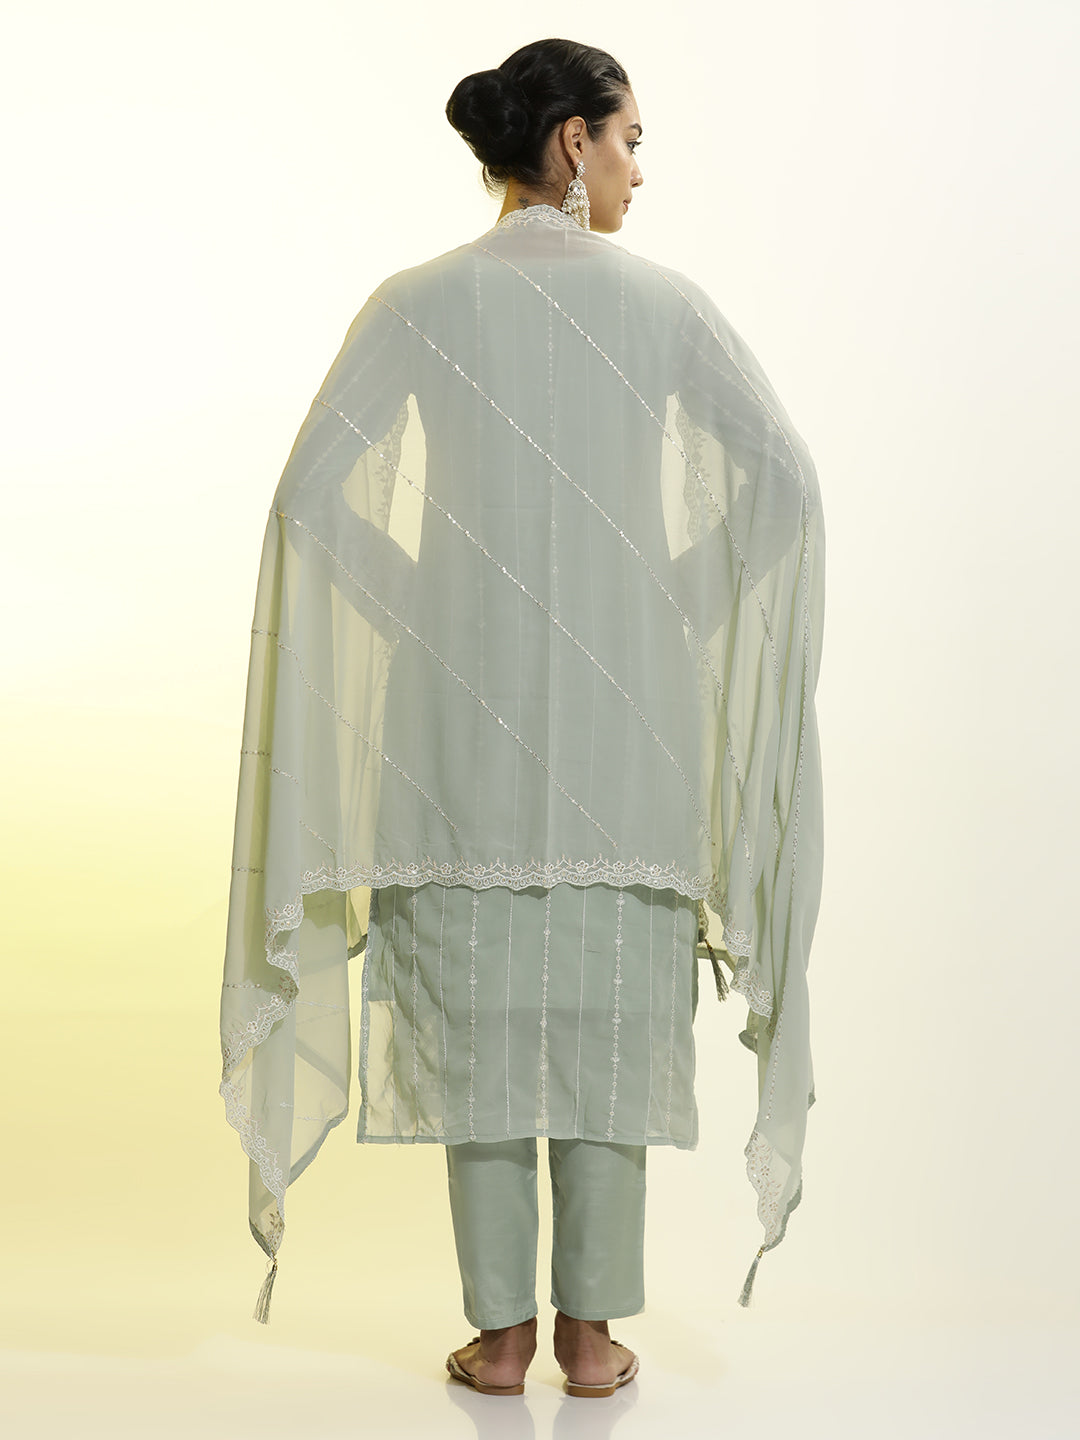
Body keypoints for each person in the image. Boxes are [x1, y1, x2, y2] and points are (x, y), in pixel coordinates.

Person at [218, 37, 825, 1400]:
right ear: (570, 142)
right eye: (629, 141)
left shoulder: (415, 302)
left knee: (476, 1018)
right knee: (608, 1018)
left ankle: (498, 1341)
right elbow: (784, 488)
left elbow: (312, 499)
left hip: (457, 724)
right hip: (630, 731)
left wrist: (428, 602)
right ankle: (593, 1341)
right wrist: (656, 601)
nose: (637, 171)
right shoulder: (668, 307)